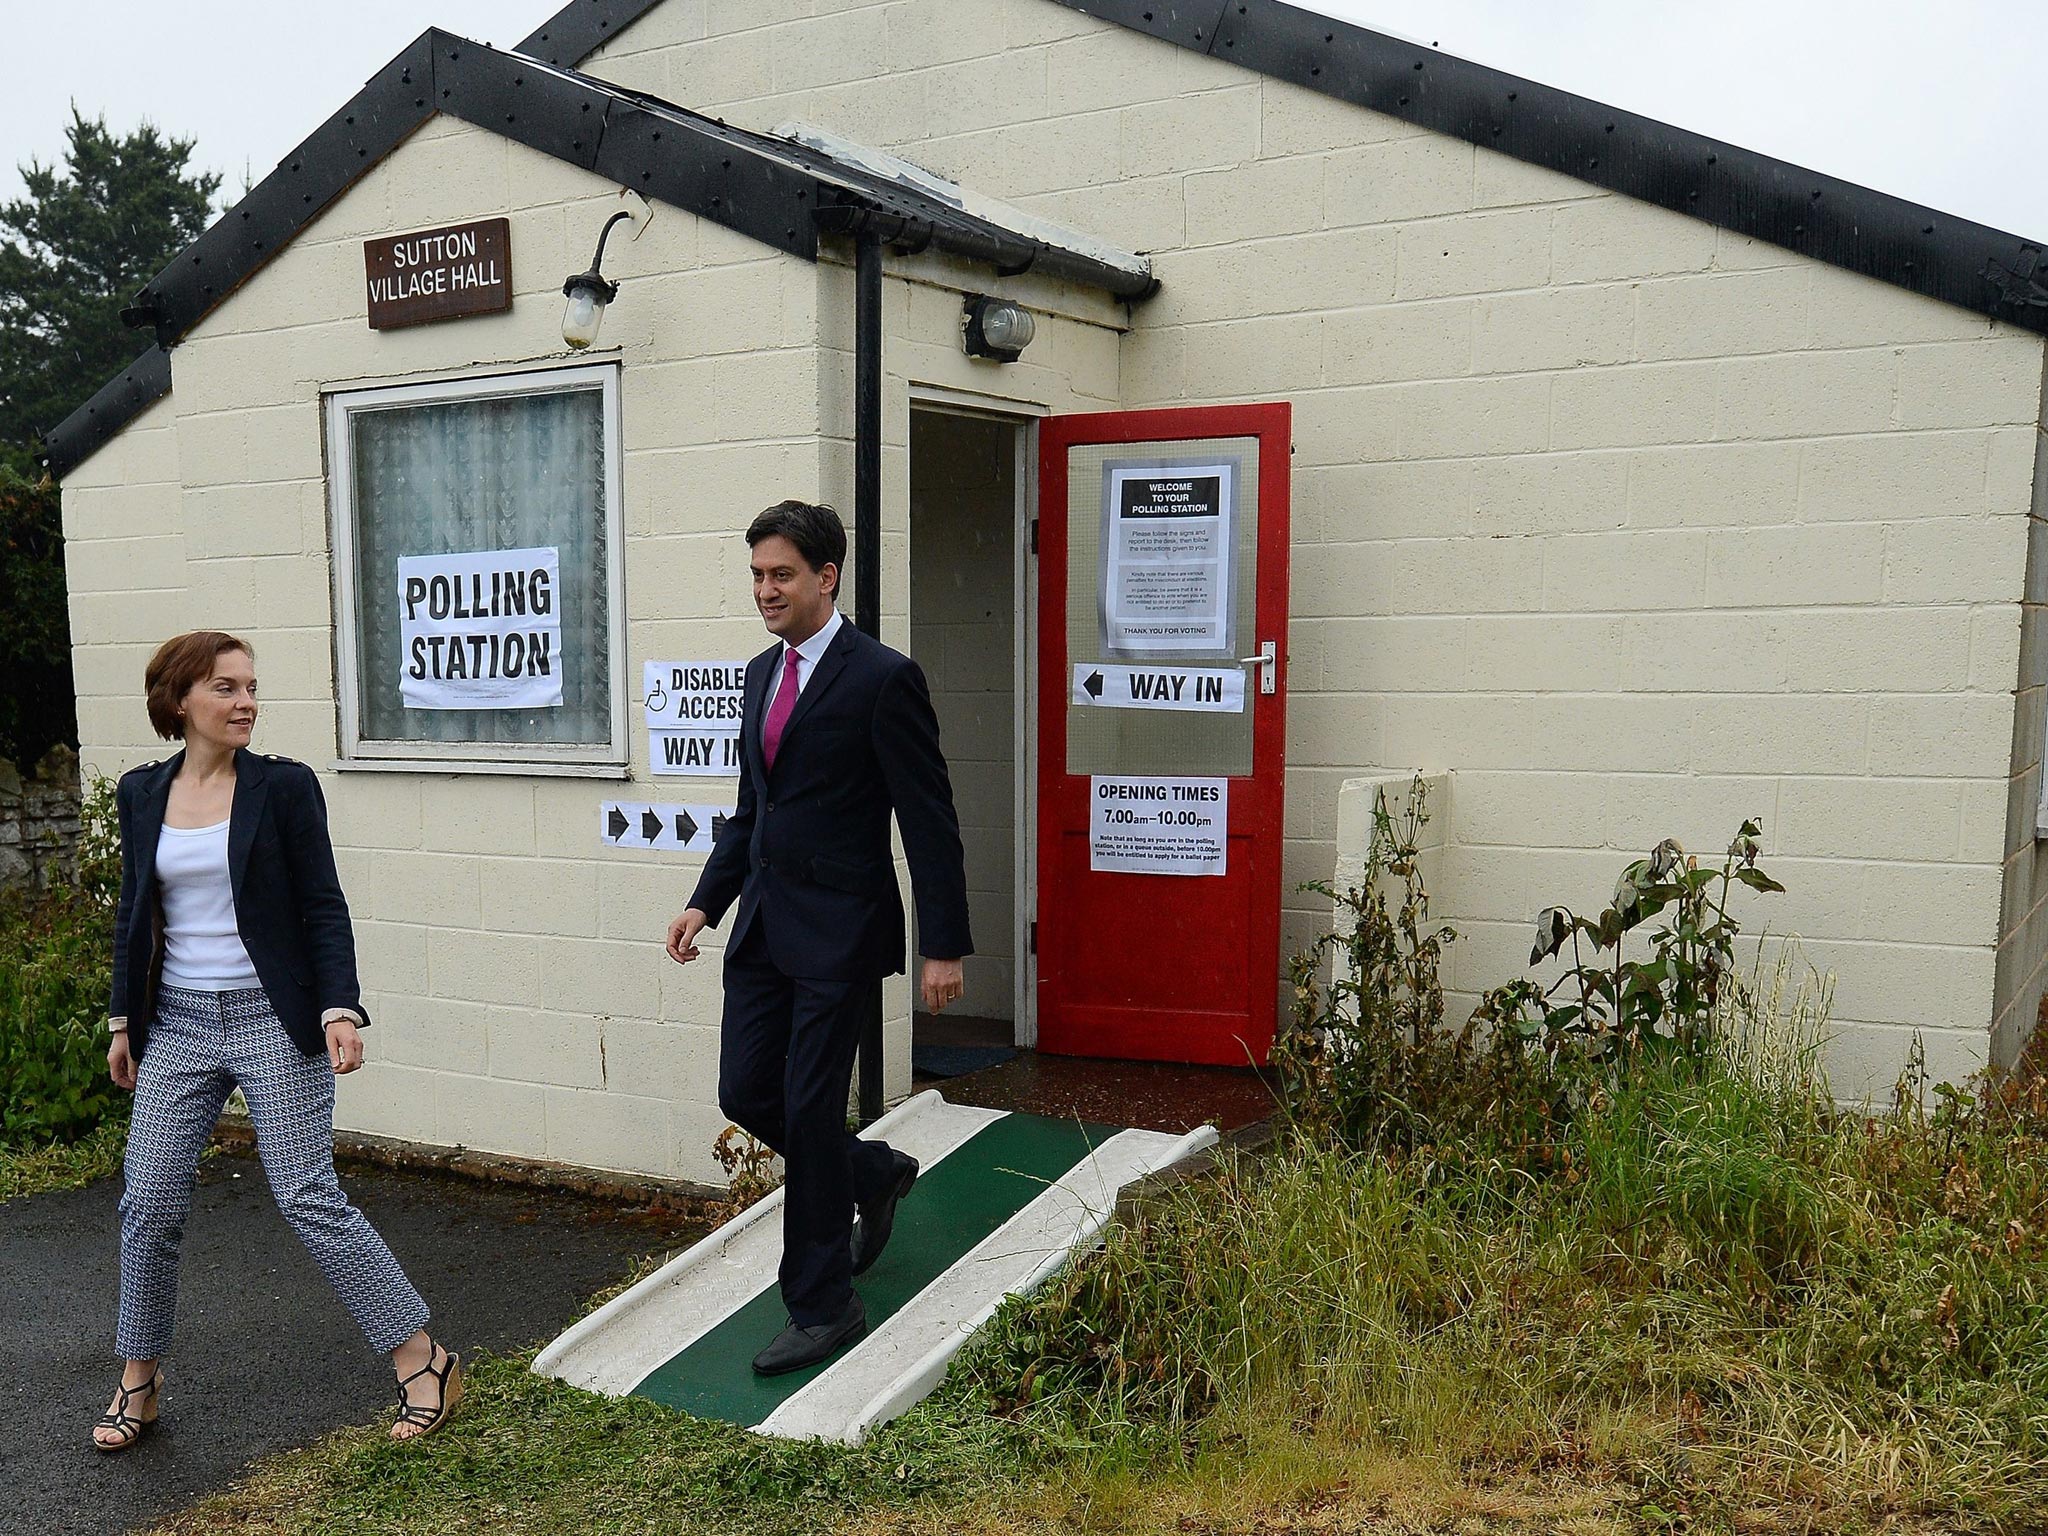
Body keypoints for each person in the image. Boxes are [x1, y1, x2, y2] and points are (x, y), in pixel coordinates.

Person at [93, 630, 460, 1451]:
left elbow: (323, 906)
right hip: (178, 1025)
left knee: (304, 1193)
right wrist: (125, 1019)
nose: (245, 701)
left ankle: (424, 1359)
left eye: (251, 686)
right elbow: (133, 916)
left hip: (271, 1018)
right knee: (147, 1204)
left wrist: (339, 1008)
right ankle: (138, 1382)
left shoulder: (284, 789)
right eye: (226, 687)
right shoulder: (141, 792)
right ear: (181, 699)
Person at [667, 500, 973, 1376]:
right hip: (763, 929)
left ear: (826, 577)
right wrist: (706, 901)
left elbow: (930, 820)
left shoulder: (882, 678)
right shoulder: (763, 675)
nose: (765, 590)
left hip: (840, 935)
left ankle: (823, 1303)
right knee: (744, 1091)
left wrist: (942, 945)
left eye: (782, 575)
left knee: (805, 1108)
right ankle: (869, 1173)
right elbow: (750, 813)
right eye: (758, 575)